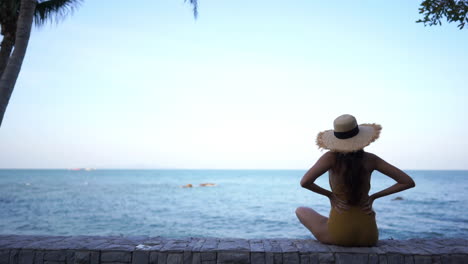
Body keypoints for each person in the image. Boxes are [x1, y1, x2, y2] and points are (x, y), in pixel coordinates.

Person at [295, 114, 415, 247]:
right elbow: (407, 181)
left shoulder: (331, 158)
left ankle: (340, 223)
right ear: (361, 138)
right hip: (369, 236)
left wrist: (330, 195)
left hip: (340, 236)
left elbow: (305, 182)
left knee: (301, 210)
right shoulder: (371, 159)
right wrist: (373, 197)